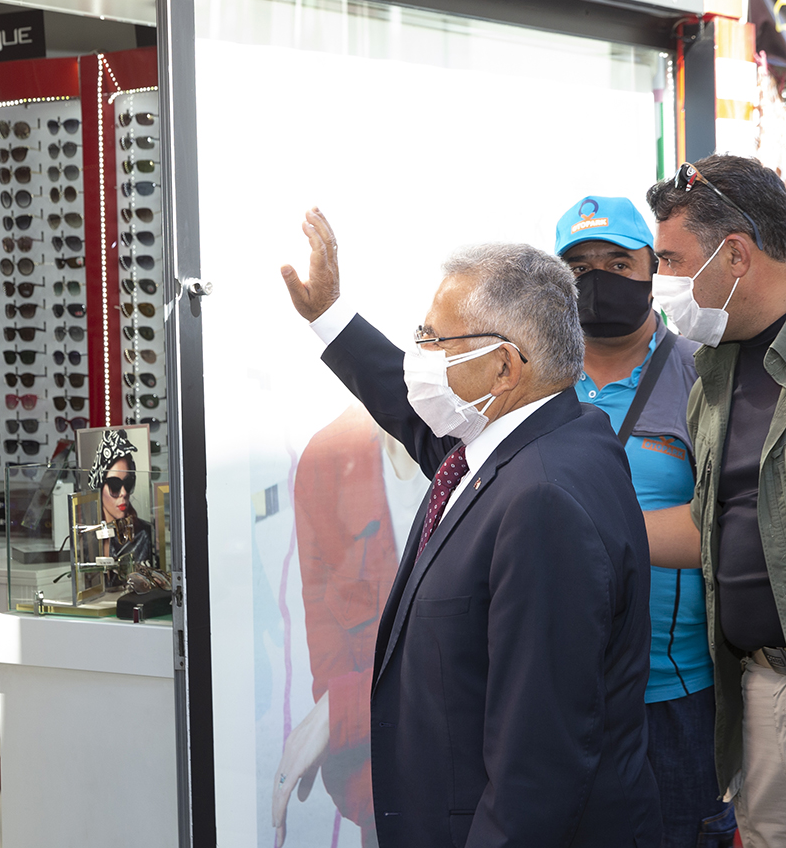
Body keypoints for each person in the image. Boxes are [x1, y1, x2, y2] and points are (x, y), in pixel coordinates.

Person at [277, 208, 660, 848]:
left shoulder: (542, 501)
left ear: (505, 368)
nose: (418, 359)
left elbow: (536, 770)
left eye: (434, 341)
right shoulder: (540, 436)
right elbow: (412, 417)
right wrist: (331, 318)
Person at [555, 195, 735, 848]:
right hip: (561, 696)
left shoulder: (702, 370)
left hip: (674, 694)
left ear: (651, 268)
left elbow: (725, 524)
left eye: (617, 262)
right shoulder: (538, 379)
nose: (597, 278)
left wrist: (593, 532)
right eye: (579, 267)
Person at [644, 155, 786, 848]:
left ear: (734, 254)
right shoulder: (716, 375)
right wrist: (590, 527)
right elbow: (713, 525)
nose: (660, 281)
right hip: (759, 682)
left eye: (671, 260)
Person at [276, 405, 423, 846]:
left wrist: (340, 712)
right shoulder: (327, 461)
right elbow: (330, 655)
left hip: (492, 788)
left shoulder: (484, 441)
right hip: (387, 797)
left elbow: (488, 655)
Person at [88, 427, 153, 566]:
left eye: (128, 483)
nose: (124, 493)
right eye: (115, 485)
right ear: (100, 487)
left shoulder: (143, 535)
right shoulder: (86, 537)